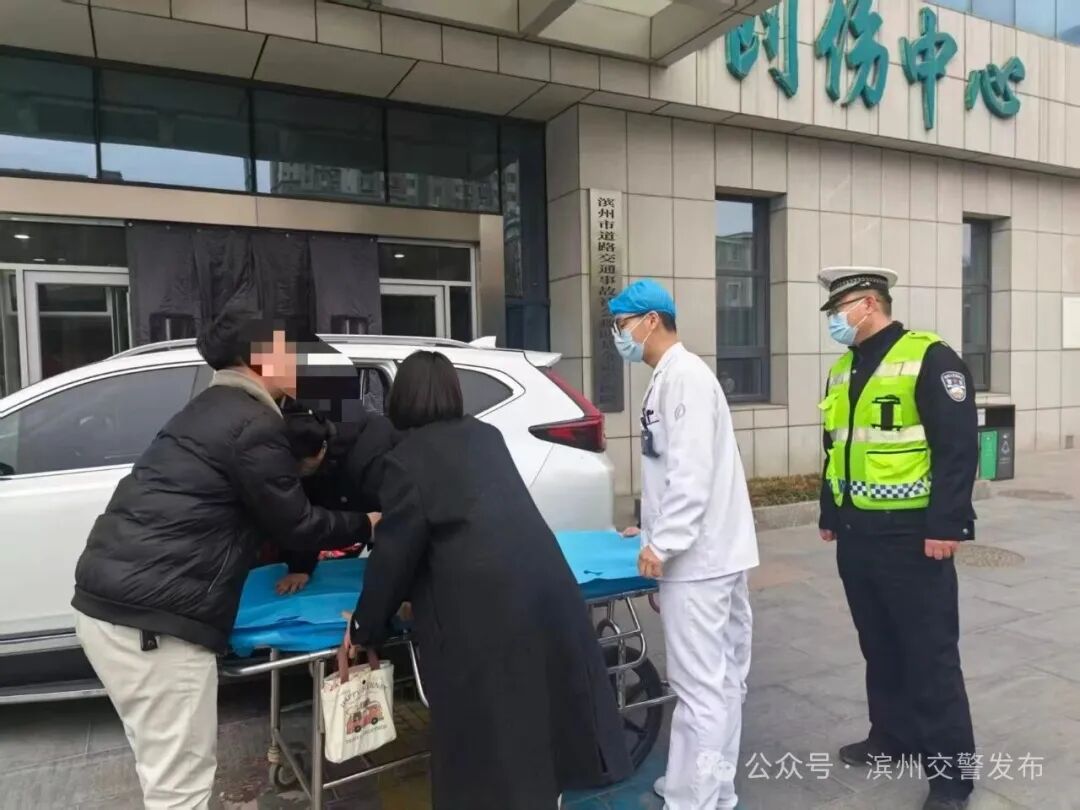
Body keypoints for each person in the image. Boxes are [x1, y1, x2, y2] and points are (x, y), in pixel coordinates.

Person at [71, 313, 368, 810]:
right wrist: (368, 523)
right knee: (180, 790)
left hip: (113, 609)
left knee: (163, 772)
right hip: (155, 626)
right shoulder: (253, 424)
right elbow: (296, 524)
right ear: (262, 360)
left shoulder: (208, 409)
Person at [341, 350, 632, 809]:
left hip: (484, 618)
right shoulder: (486, 436)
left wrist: (363, 627)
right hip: (547, 593)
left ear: (401, 400)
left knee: (491, 750)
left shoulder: (406, 460)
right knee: (541, 728)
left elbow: (394, 555)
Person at [817, 267, 977, 810]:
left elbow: (957, 447)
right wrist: (830, 511)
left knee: (929, 654)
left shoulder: (930, 357)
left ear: (867, 304)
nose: (835, 321)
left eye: (839, 310)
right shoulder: (843, 368)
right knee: (879, 643)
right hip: (857, 533)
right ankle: (892, 736)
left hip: (912, 536)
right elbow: (836, 447)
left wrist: (946, 525)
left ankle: (952, 778)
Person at [610, 279, 759, 810]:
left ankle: (694, 800)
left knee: (701, 689)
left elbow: (690, 472)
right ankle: (707, 789)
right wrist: (651, 530)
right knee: (720, 683)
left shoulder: (685, 378)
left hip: (700, 560)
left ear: (651, 320)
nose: (619, 335)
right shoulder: (672, 378)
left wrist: (664, 544)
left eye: (622, 324)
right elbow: (670, 470)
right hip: (713, 553)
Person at [271, 405, 398, 595]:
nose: (296, 472)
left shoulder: (372, 462)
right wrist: (300, 567)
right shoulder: (311, 444)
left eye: (300, 467)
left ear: (321, 451)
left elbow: (405, 522)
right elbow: (305, 509)